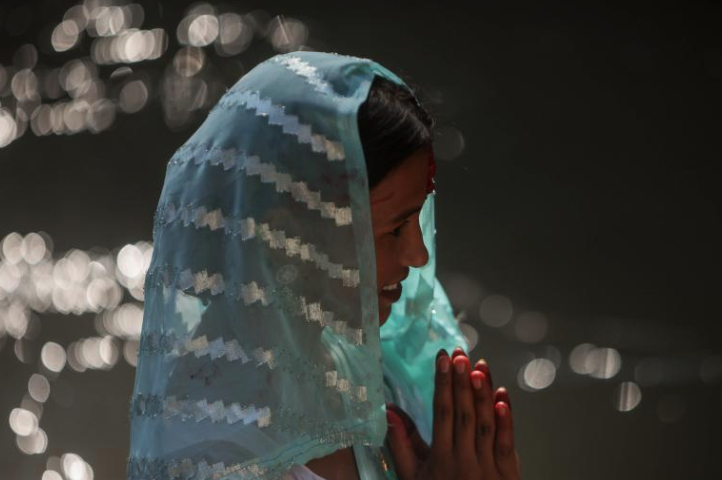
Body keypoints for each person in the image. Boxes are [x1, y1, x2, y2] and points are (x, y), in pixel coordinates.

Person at [126, 51, 521, 480]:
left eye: (417, 220)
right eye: (394, 230)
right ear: (287, 241)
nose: (418, 255)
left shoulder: (369, 366)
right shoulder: (214, 453)